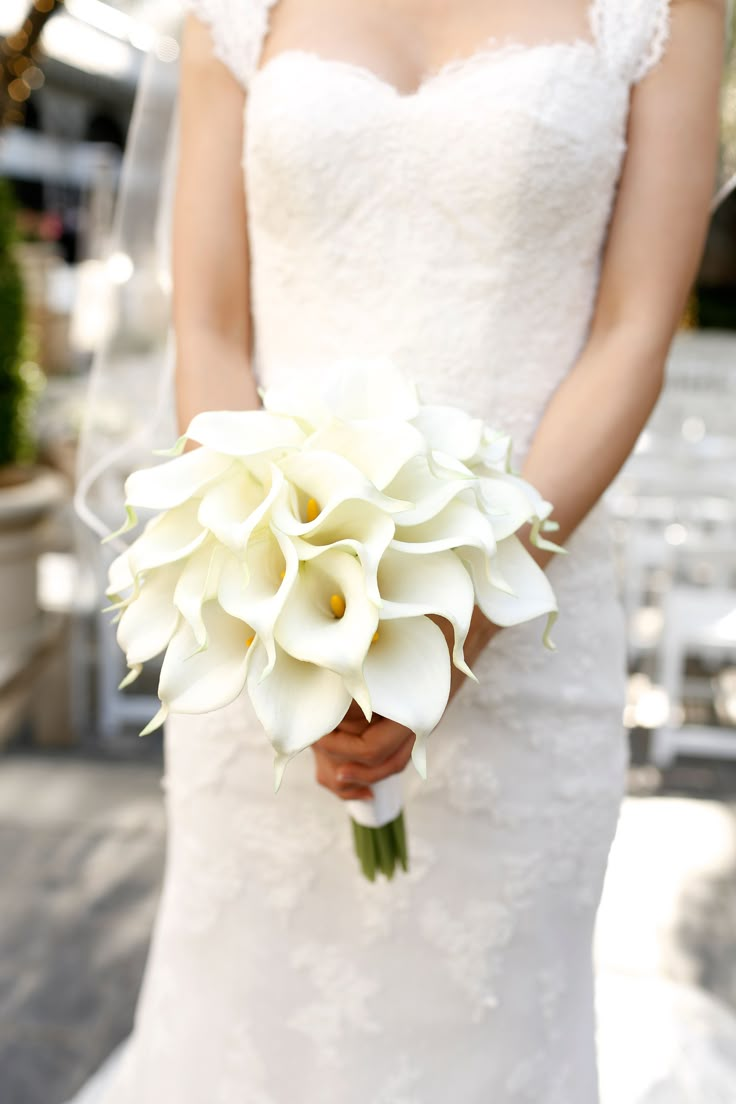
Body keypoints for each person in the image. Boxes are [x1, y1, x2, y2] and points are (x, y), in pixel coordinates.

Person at [66, 1, 724, 1101]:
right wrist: (274, 595)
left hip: (529, 622)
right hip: (274, 619)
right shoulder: (230, 12)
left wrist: (467, 613)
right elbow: (212, 328)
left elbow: (633, 331)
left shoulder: (660, 12)